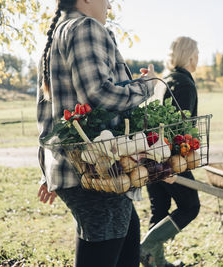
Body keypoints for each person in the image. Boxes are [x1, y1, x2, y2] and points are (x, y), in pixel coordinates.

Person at [36, 0, 157, 266]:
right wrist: (145, 87)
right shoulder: (85, 28)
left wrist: (49, 169)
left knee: (126, 248)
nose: (110, 6)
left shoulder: (59, 32)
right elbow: (98, 94)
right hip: (96, 170)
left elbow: (46, 115)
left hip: (85, 173)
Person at [141, 36, 200, 267]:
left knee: (160, 210)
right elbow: (178, 127)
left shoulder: (166, 80)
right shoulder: (184, 83)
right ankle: (145, 248)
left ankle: (154, 262)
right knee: (190, 206)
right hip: (169, 159)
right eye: (197, 53)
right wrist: (171, 166)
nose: (198, 58)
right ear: (191, 55)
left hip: (150, 155)